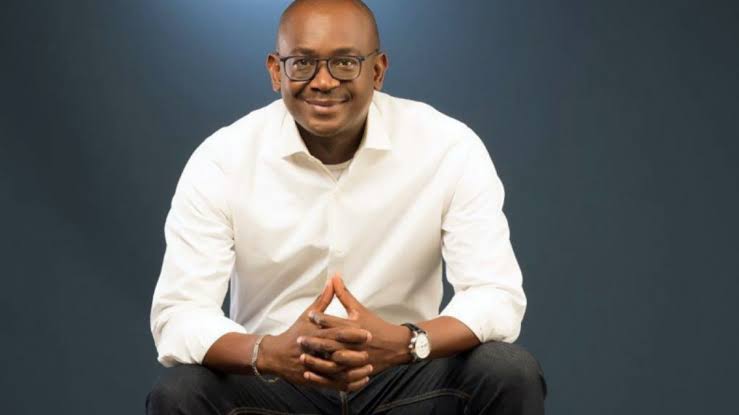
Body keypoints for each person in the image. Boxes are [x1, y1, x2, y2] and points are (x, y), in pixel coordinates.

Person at [146, 0, 547, 413]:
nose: (323, 81)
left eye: (345, 63)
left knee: (508, 370)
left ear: (377, 71)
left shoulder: (448, 147)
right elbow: (180, 313)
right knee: (181, 391)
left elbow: (495, 295)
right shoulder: (222, 160)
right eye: (302, 63)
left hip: (404, 375)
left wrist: (407, 342)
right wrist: (267, 352)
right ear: (275, 71)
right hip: (273, 380)